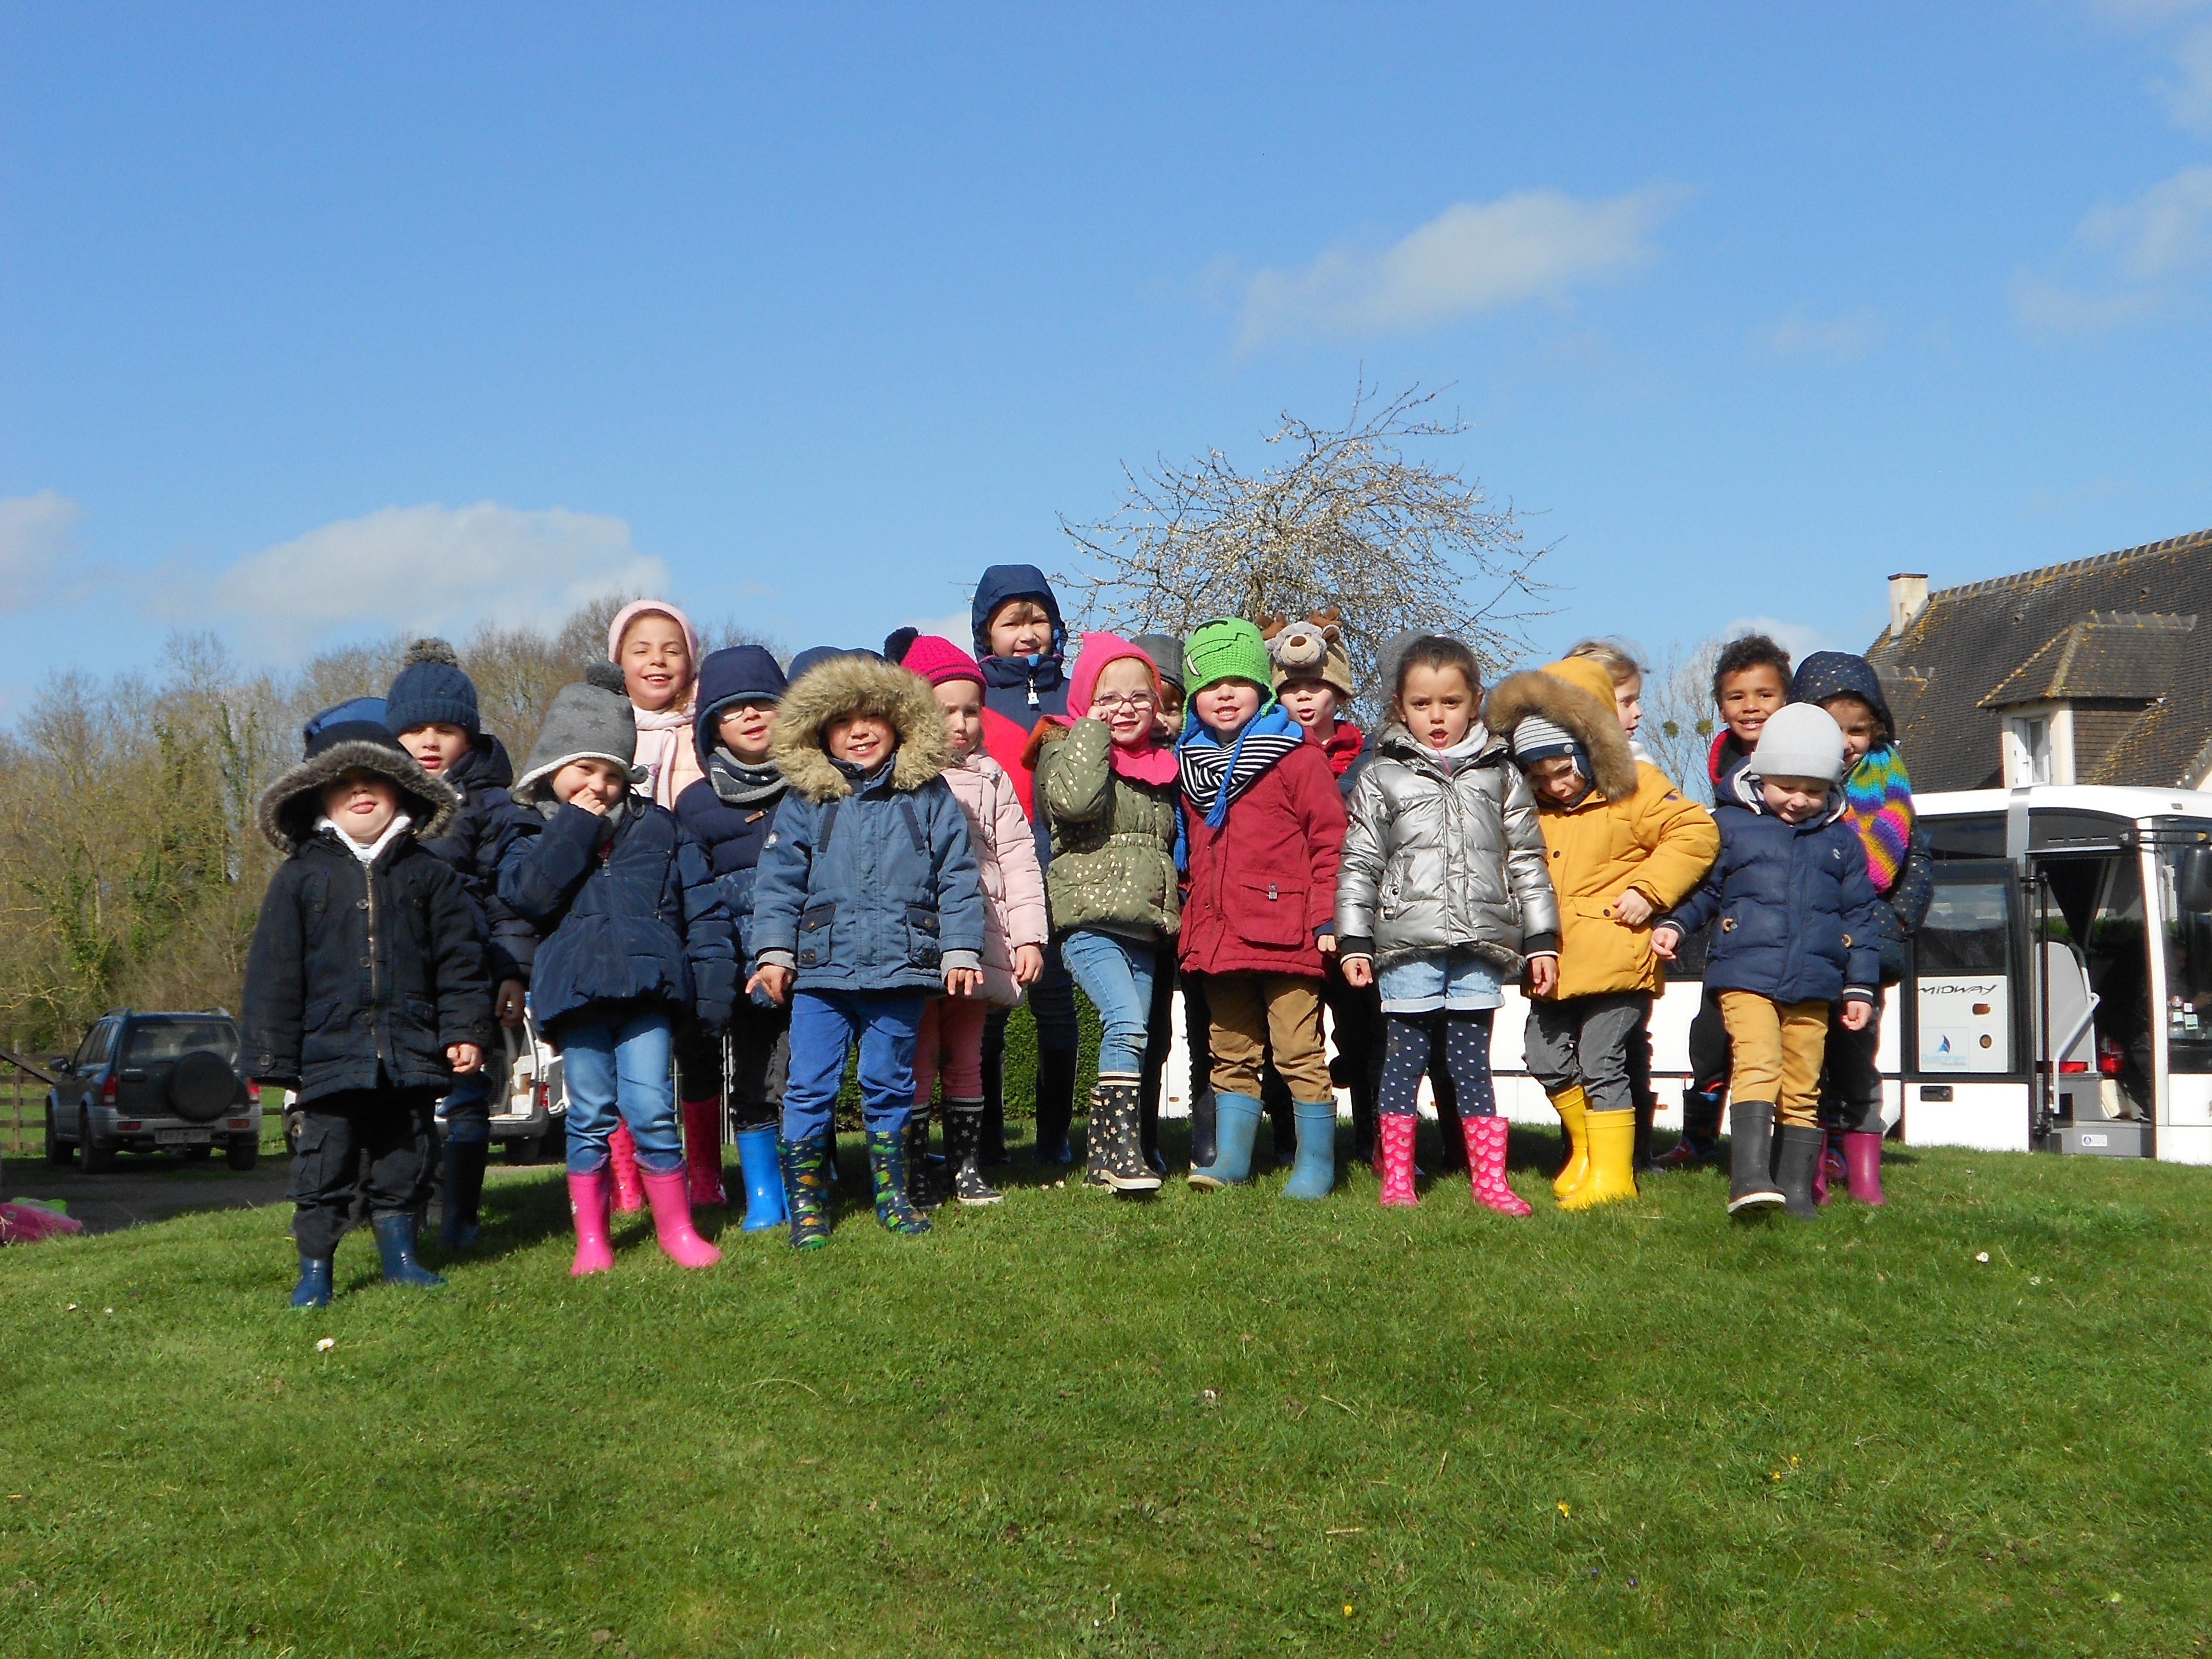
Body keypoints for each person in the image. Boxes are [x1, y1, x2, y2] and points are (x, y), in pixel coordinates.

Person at [243, 708, 492, 1307]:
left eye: (374, 779)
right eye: (343, 782)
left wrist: (463, 1028)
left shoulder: (429, 875)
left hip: (410, 1049)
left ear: (401, 789)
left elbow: (460, 961)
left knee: (406, 1157)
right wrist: (272, 1055)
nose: (360, 791)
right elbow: (274, 971)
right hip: (328, 1054)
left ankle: (402, 1258)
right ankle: (315, 1272)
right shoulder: (299, 878)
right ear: (317, 797)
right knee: (322, 1164)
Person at [498, 663, 734, 1273]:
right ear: (552, 767)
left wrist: (712, 993)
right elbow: (528, 896)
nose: (599, 787)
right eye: (584, 770)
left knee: (652, 1108)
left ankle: (677, 1230)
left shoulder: (661, 829)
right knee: (589, 1116)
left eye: (612, 774)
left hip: (649, 994)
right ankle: (593, 1241)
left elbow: (703, 912)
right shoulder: (530, 831)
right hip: (577, 998)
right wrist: (575, 826)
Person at [748, 651, 988, 1247]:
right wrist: (774, 953)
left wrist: (960, 950)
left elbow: (958, 876)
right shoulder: (805, 800)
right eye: (842, 721)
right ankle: (808, 1204)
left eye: (872, 717)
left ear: (899, 722)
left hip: (901, 969)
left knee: (890, 1084)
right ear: (820, 732)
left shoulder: (928, 795)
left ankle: (893, 1194)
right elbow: (778, 883)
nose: (859, 731)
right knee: (809, 1086)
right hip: (822, 976)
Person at [1486, 656, 1718, 1211]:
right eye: (1539, 777)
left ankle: (1615, 1176)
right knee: (1542, 1055)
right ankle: (1589, 1153)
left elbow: (1696, 831)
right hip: (1556, 960)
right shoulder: (1531, 810)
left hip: (1618, 956)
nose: (1555, 785)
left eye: (1563, 770)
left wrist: (1649, 890)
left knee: (1602, 1061)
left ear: (1590, 751)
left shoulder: (1635, 789)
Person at [1336, 636, 1559, 1212]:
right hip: (1407, 948)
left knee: (1471, 1064)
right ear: (1399, 707)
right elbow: (1360, 861)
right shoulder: (1381, 776)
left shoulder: (1501, 775)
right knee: (1404, 1060)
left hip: (1479, 946)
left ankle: (1490, 1180)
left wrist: (1542, 939)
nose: (1437, 717)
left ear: (1476, 701)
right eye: (1422, 704)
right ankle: (1397, 1177)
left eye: (1451, 703)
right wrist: (1354, 939)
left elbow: (1527, 860)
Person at [1652, 703, 1883, 1218]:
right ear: (1762, 776)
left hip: (1816, 983)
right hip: (1745, 976)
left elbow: (1860, 919)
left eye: (1814, 790)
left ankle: (1796, 1190)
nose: (1799, 800)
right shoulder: (1731, 827)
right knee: (1759, 1064)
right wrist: (1675, 924)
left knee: (1803, 1084)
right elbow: (1706, 890)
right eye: (1787, 786)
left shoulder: (1842, 842)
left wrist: (1860, 987)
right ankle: (1750, 1178)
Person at [1176, 618, 1347, 1198]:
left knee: (1298, 1050)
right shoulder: (1190, 765)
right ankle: (1232, 1160)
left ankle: (1316, 1163)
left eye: (1238, 682)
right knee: (1230, 1051)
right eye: (1210, 685)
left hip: (1289, 931)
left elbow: (1330, 840)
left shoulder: (1295, 756)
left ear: (1263, 689)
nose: (1224, 694)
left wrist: (1327, 916)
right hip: (1219, 933)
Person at [382, 639, 537, 1249]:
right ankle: (405, 1215)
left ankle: (461, 1219)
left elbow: (510, 898)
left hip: (467, 975)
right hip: (395, 980)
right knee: (403, 1103)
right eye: (414, 730)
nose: (429, 742)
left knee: (468, 1095)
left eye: (444, 730)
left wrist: (513, 972)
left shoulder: (494, 806)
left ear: (468, 735)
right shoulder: (376, 802)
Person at [1028, 632, 1182, 1193]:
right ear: (1085, 701)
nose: (1125, 708)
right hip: (1089, 922)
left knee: (1137, 1036)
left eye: (1140, 697)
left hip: (1143, 926)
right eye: (1108, 697)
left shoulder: (1162, 764)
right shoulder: (1063, 748)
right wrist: (1090, 730)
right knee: (1125, 1022)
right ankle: (1121, 1153)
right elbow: (1072, 804)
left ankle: (1103, 1160)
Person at [901, 635, 1049, 1206]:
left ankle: (966, 1166)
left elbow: (1018, 857)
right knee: (918, 1057)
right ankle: (914, 1169)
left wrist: (1029, 936)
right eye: (947, 711)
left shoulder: (990, 776)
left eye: (971, 711)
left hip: (982, 933)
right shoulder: (900, 776)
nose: (961, 724)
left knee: (967, 1055)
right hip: (918, 938)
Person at [1789, 650, 1933, 1206]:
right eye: (1834, 728)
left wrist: (1896, 920)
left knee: (1857, 1058)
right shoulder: (1793, 784)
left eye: (1858, 729)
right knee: (1805, 1060)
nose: (1848, 742)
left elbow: (1911, 864)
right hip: (1805, 944)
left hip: (1864, 945)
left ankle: (1864, 1173)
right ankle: (1813, 1165)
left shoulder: (1890, 781)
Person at [1654, 632, 1796, 1170]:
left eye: (1765, 695)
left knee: (1795, 1052)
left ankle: (1796, 1149)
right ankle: (1699, 1139)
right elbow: (1713, 872)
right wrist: (1679, 921)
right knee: (1710, 1041)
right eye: (1738, 697)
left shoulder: (1808, 767)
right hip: (1735, 943)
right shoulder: (1725, 782)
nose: (1751, 707)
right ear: (1720, 706)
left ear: (1788, 701)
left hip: (1792, 937)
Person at [956, 568, 1082, 1167]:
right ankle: (985, 1141)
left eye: (1039, 619)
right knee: (986, 1018)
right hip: (991, 882)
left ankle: (1055, 1138)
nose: (1028, 632)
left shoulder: (1078, 694)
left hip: (1062, 876)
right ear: (987, 632)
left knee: (1057, 1009)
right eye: (1012, 622)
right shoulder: (970, 697)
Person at [674, 645, 795, 1218]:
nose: (749, 715)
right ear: (711, 726)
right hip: (742, 972)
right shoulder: (696, 804)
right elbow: (694, 895)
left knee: (805, 1077)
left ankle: (808, 1182)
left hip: (813, 961)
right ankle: (764, 1194)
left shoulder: (816, 787)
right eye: (731, 708)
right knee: (753, 1076)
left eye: (763, 703)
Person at [603, 600, 710, 1210]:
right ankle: (627, 1178)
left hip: (692, 900)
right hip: (628, 905)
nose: (657, 661)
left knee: (697, 1042)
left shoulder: (706, 728)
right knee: (625, 1046)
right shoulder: (606, 730)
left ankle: (705, 1172)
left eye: (672, 649)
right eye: (641, 649)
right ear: (619, 661)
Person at [1267, 611, 1382, 1168]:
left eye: (1316, 686)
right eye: (1292, 689)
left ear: (1339, 691)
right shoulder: (1267, 753)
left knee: (1364, 1033)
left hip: (1356, 914)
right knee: (1290, 1033)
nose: (1305, 698)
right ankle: (1287, 1141)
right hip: (1289, 912)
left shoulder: (1369, 758)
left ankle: (1372, 1138)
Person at [1565, 636, 1661, 1169]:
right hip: (1572, 943)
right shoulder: (1552, 778)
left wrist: (1650, 892)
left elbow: (1685, 838)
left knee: (1617, 1050)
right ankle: (1587, 1150)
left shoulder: (1642, 775)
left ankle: (1626, 1158)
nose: (1637, 713)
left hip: (1622, 939)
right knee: (1567, 1051)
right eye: (1626, 701)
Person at [1132, 631, 1188, 1173]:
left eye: (1174, 708)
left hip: (1190, 906)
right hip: (1143, 910)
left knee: (1188, 1030)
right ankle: (1139, 1137)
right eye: (1155, 707)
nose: (1163, 721)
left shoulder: (1195, 763)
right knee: (1143, 1029)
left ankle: (1202, 1138)